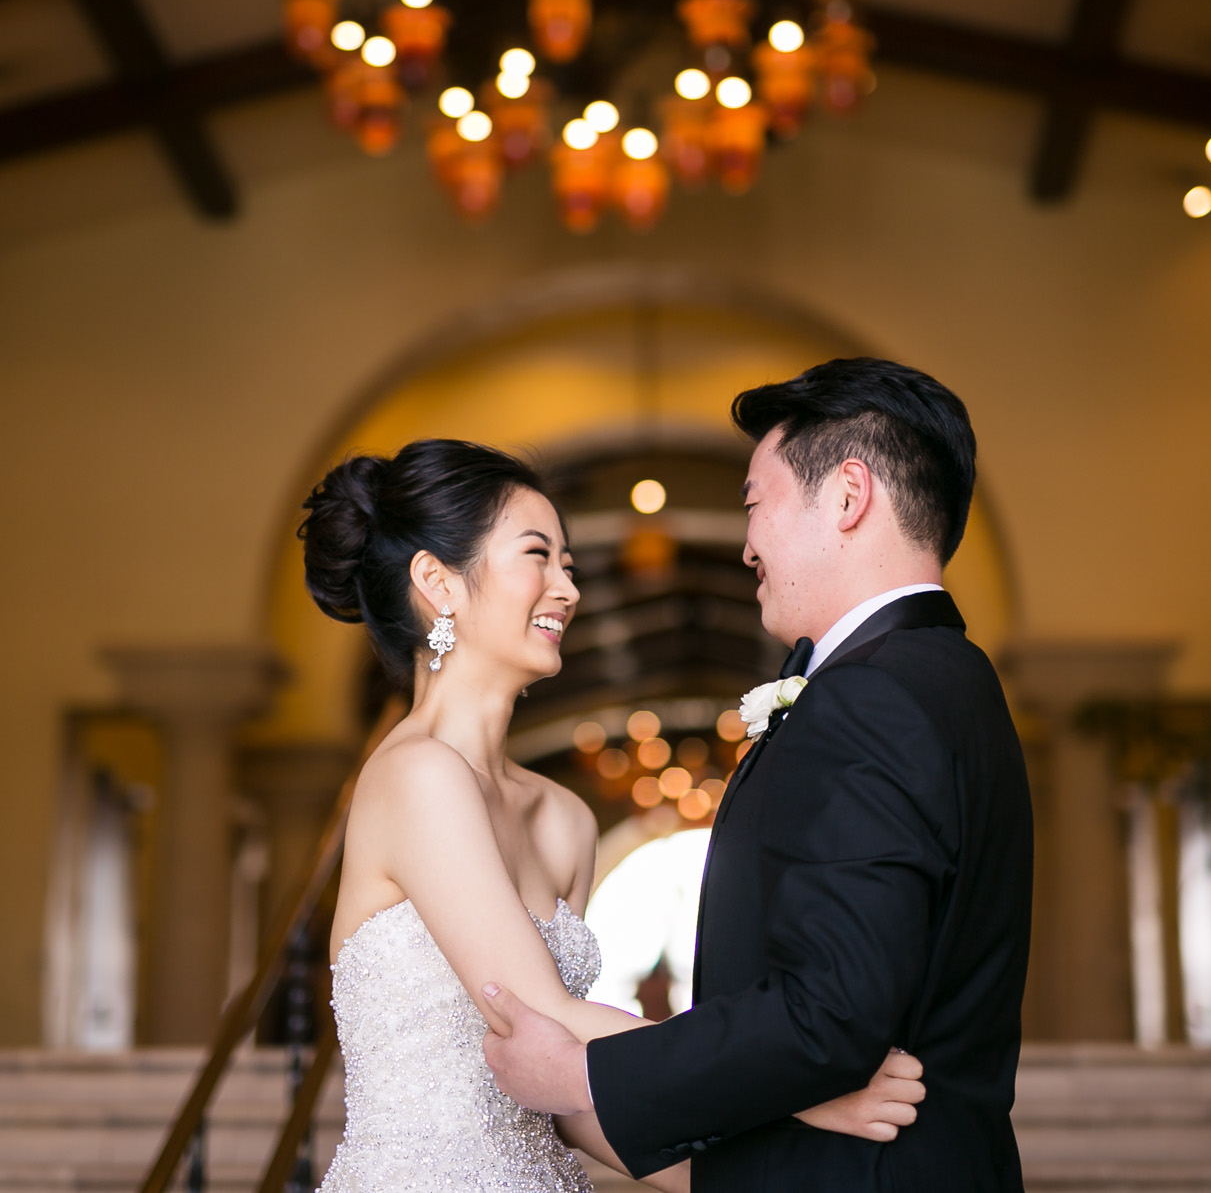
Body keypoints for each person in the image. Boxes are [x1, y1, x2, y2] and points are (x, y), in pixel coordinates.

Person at [296, 438, 922, 1193]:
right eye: (539, 555)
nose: (568, 587)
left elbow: (568, 1089)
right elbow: (543, 1007)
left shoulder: (565, 817)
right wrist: (800, 1083)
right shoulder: (413, 777)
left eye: (569, 562)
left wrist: (765, 1172)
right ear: (438, 581)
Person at [482, 358, 1036, 1192]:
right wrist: (798, 1095)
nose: (744, 546)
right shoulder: (956, 679)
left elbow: (829, 1014)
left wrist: (579, 1075)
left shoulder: (875, 694)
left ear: (849, 497)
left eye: (754, 504)